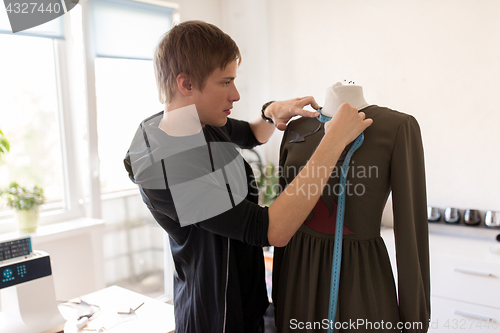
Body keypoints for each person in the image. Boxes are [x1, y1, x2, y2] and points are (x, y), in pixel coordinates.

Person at [123, 21, 372, 333]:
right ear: (186, 84)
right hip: (217, 318)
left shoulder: (192, 121)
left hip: (247, 303)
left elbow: (249, 133)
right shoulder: (163, 164)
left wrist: (271, 112)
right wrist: (333, 142)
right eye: (225, 83)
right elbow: (270, 229)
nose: (236, 94)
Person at [272, 82, 430, 332]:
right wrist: (280, 298)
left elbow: (411, 232)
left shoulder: (397, 127)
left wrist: (415, 321)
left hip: (361, 281)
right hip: (298, 280)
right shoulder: (297, 128)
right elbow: (282, 214)